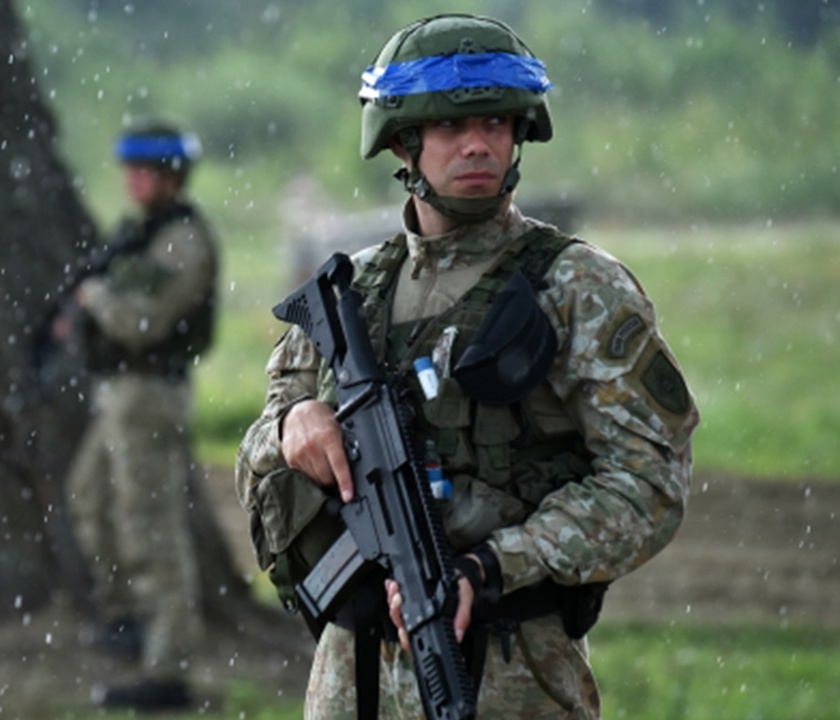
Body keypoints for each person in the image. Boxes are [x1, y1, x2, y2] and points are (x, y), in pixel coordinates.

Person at [235, 13, 699, 719]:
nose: (479, 144)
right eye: (453, 129)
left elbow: (649, 482)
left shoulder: (576, 288)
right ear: (403, 140)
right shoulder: (349, 294)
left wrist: (496, 565)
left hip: (512, 670)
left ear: (521, 133)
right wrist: (292, 427)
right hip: (352, 674)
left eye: (495, 123)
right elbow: (257, 460)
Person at [54, 120, 218, 711]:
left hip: (149, 393)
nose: (133, 181)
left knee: (150, 527)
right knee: (90, 499)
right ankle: (127, 622)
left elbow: (141, 323)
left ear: (172, 176)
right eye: (131, 170)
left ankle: (168, 668)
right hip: (119, 391)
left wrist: (96, 299)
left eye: (145, 171)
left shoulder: (182, 241)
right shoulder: (142, 235)